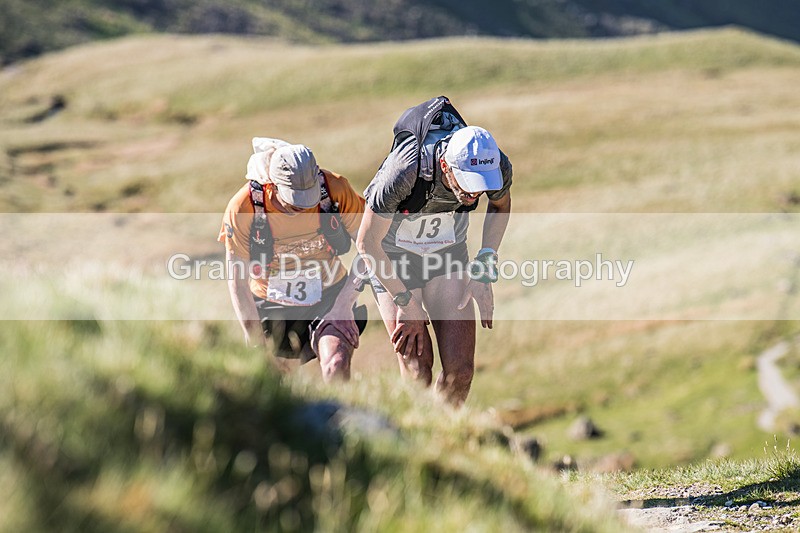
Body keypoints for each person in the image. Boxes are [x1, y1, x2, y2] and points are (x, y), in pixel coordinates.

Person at [357, 100, 512, 406]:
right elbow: (367, 243)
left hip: (447, 254)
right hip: (392, 257)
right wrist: (405, 302)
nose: (473, 194)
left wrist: (484, 264)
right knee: (418, 371)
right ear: (445, 166)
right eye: (466, 184)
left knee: (461, 372)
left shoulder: (495, 163)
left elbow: (500, 204)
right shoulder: (404, 171)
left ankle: (443, 435)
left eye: (480, 186)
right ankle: (414, 439)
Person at [219, 138, 367, 380]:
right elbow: (237, 281)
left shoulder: (334, 188)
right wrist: (254, 340)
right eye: (294, 200)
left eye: (309, 198)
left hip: (330, 296)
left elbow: (369, 247)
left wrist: (344, 303)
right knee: (273, 382)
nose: (303, 207)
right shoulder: (243, 207)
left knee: (336, 364)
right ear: (272, 185)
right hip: (271, 305)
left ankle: (340, 417)